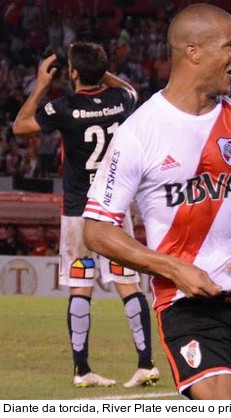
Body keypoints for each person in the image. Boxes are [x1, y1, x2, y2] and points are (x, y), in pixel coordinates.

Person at [81, 4, 231, 400]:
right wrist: (174, 268)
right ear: (194, 51)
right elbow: (97, 230)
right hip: (188, 304)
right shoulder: (140, 132)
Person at [12, 42, 159, 388]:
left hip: (78, 214)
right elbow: (129, 89)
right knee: (128, 283)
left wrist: (41, 84)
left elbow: (19, 126)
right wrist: (99, 68)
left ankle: (82, 370)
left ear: (72, 73)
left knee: (80, 286)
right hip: (112, 211)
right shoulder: (120, 101)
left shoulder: (62, 107)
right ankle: (145, 364)